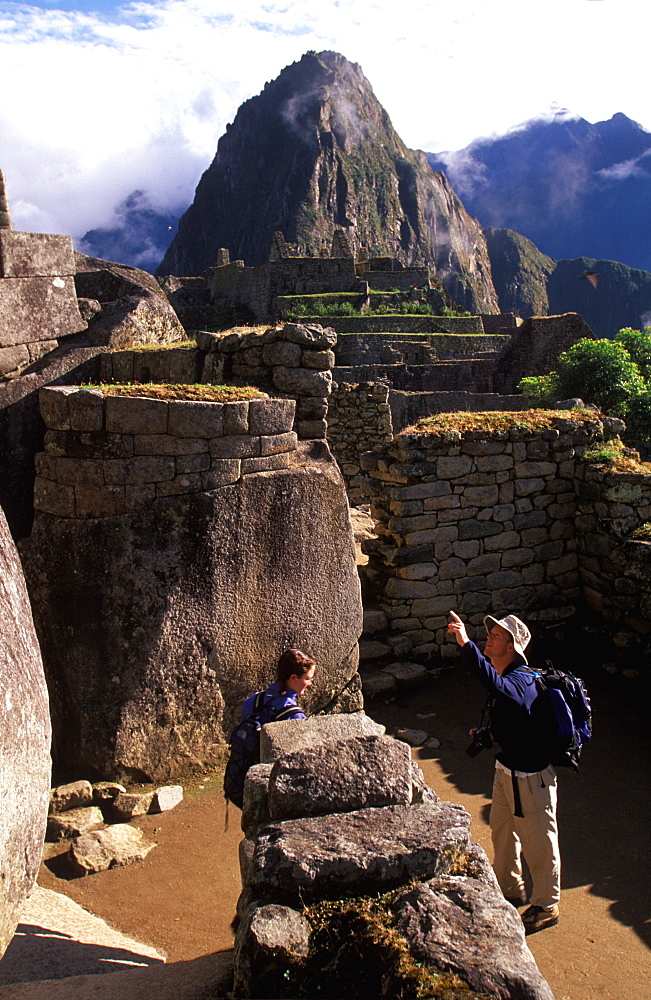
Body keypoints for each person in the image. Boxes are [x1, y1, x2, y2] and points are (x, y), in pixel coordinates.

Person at [447, 610, 560, 935]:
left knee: (539, 841)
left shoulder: (521, 679)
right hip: (507, 769)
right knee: (501, 830)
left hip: (530, 777)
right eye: (490, 633)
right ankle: (509, 889)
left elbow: (499, 688)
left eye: (497, 635)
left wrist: (465, 643)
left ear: (512, 647)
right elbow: (516, 717)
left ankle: (546, 906)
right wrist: (491, 736)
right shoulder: (509, 679)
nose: (489, 637)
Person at [240, 648, 316, 723]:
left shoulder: (252, 701)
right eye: (307, 679)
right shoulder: (295, 716)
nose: (310, 684)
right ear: (293, 677)